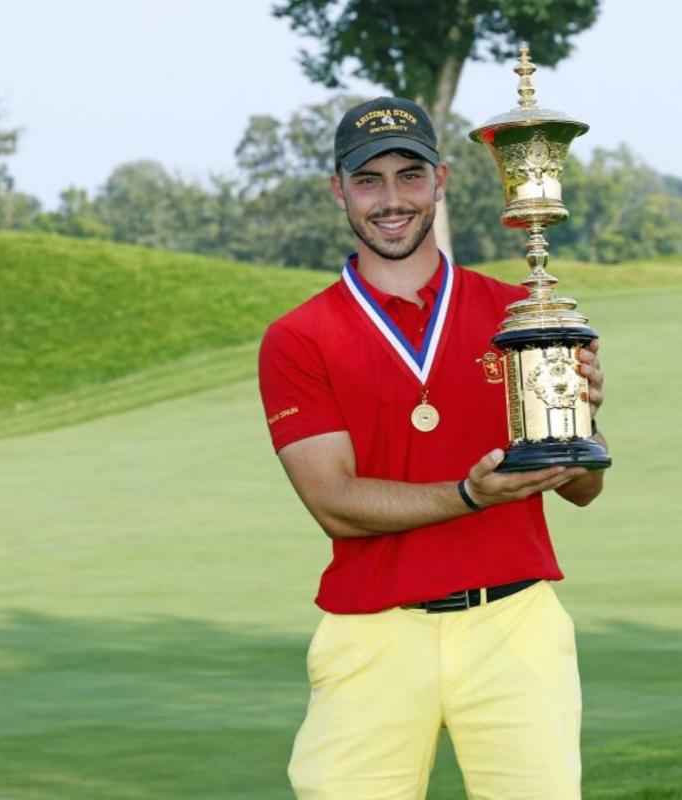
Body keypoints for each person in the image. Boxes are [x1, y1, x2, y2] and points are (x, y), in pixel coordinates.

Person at [258, 96, 608, 800]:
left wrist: (574, 420)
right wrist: (471, 494)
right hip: (373, 634)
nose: (392, 200)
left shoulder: (521, 312)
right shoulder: (301, 336)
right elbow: (335, 504)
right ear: (339, 190)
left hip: (515, 626)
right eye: (369, 180)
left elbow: (583, 489)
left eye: (410, 176)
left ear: (441, 180)